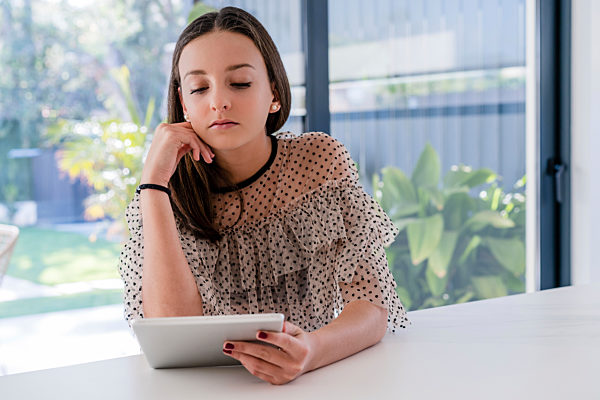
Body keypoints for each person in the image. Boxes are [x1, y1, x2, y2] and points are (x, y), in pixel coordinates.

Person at [119, 6, 410, 385]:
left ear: (273, 90)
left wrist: (310, 352)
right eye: (199, 87)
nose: (218, 101)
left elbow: (372, 305)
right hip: (205, 390)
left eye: (239, 83)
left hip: (316, 383)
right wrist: (154, 186)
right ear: (184, 103)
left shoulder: (317, 161)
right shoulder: (164, 191)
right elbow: (171, 335)